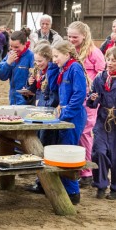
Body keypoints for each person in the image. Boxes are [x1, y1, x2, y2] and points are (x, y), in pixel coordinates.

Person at [67, 21, 106, 187]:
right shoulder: (70, 51)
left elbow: (102, 76)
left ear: (84, 35)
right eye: (69, 36)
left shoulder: (94, 53)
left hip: (88, 101)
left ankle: (87, 173)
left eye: (75, 37)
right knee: (74, 131)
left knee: (85, 132)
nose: (71, 39)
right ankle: (76, 167)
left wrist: (92, 90)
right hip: (74, 99)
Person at [52, 40, 88, 205]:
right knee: (62, 150)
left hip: (73, 116)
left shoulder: (74, 68)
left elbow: (79, 95)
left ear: (67, 54)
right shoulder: (64, 68)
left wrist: (65, 113)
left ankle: (73, 192)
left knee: (68, 152)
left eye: (56, 56)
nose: (54, 60)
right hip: (66, 113)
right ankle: (67, 189)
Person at [25, 42, 59, 194]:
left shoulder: (52, 71)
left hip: (48, 112)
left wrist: (49, 70)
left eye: (40, 61)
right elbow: (34, 90)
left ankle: (45, 184)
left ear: (48, 58)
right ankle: (41, 182)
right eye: (36, 61)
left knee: (46, 146)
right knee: (39, 143)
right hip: (40, 111)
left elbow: (51, 92)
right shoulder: (38, 71)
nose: (37, 64)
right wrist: (30, 84)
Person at [86, 47, 116, 200]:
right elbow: (92, 102)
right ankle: (100, 185)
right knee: (99, 151)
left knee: (115, 155)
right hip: (103, 120)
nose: (110, 63)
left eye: (114, 60)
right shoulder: (100, 78)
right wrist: (92, 98)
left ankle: (115, 189)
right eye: (108, 59)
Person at [0, 28, 34, 105]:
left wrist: (25, 99)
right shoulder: (9, 56)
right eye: (11, 46)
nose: (13, 49)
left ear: (25, 44)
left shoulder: (31, 56)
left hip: (26, 99)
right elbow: (2, 76)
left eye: (16, 47)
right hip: (12, 99)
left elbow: (33, 80)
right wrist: (8, 63)